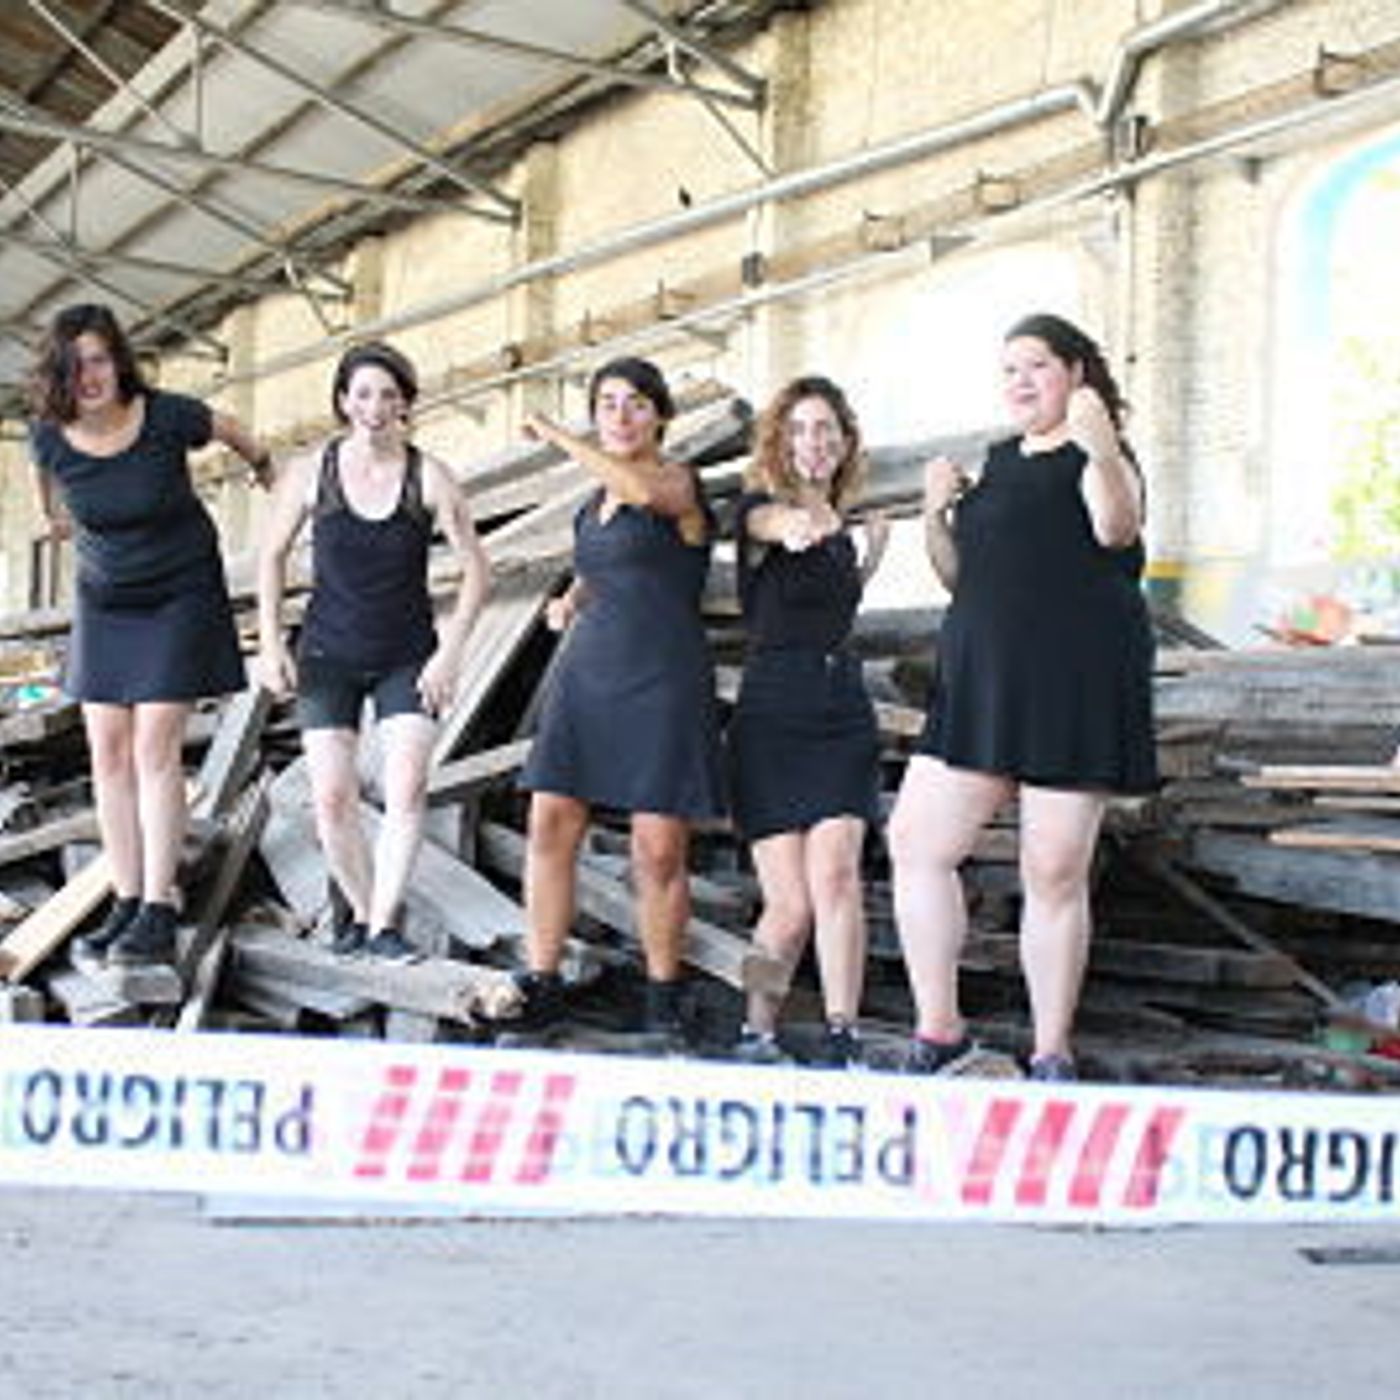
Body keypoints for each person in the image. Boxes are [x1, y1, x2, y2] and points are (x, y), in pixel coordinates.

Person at [888, 312, 1157, 1082]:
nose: (1021, 381)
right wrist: (934, 512)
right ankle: (939, 1032)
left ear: (1075, 373)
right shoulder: (997, 462)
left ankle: (1050, 1052)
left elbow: (1117, 530)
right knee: (915, 843)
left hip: (1073, 684)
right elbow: (957, 576)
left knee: (1053, 870)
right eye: (1009, 369)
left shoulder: (1103, 455)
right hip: (982, 683)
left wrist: (1101, 446)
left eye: (1036, 365)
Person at [27, 302, 272, 971]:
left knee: (153, 748)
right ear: (58, 375)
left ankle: (160, 906)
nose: (88, 377)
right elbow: (48, 494)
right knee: (107, 752)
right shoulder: (48, 437)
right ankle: (127, 898)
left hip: (179, 592)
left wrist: (265, 465)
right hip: (105, 600)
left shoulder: (165, 416)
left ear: (119, 361)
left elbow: (233, 429)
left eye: (99, 360)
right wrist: (56, 520)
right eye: (73, 366)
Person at [507, 356, 725, 1040]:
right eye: (607, 404)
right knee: (549, 823)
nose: (621, 416)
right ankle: (542, 981)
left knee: (657, 849)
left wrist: (560, 437)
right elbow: (599, 564)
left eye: (636, 403)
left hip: (662, 681)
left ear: (661, 416)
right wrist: (571, 601)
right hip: (588, 676)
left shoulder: (676, 482)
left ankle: (663, 999)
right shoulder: (591, 506)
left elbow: (638, 493)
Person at [255, 341, 489, 962]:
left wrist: (451, 653)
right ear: (343, 401)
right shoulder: (313, 473)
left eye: (388, 394)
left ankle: (385, 925)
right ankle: (360, 912)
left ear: (405, 404)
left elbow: (476, 569)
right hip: (327, 652)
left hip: (407, 653)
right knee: (332, 799)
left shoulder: (429, 476)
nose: (375, 406)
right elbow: (271, 557)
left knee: (406, 789)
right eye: (362, 394)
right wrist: (271, 644)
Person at [727, 376, 888, 1068]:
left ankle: (843, 1035)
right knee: (789, 905)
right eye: (798, 430)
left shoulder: (841, 529)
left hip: (841, 710)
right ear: (779, 442)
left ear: (844, 441)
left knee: (838, 877)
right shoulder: (758, 509)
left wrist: (868, 556)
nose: (812, 441)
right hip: (773, 713)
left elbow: (826, 607)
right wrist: (791, 524)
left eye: (825, 429)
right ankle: (755, 1031)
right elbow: (766, 526)